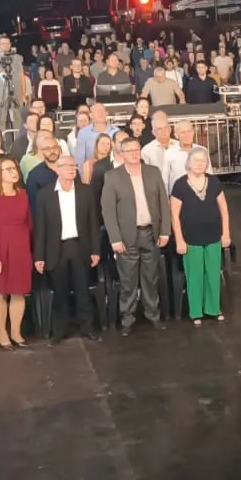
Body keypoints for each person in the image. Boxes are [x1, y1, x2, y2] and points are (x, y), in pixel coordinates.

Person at [100, 137, 171, 333]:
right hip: (125, 237)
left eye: (136, 150)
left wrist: (165, 230)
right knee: (128, 281)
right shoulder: (112, 177)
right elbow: (108, 211)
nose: (133, 153)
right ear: (122, 154)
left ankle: (153, 315)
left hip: (151, 233)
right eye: (129, 150)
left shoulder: (153, 172)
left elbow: (163, 203)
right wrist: (115, 239)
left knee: (151, 279)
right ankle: (127, 319)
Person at [33, 154, 102, 343]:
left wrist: (95, 250)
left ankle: (87, 328)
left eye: (74, 166)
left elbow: (93, 223)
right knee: (60, 292)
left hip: (80, 247)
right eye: (67, 166)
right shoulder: (45, 195)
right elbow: (40, 228)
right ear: (57, 169)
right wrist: (39, 256)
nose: (72, 169)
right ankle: (58, 331)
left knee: (83, 291)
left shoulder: (85, 191)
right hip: (56, 249)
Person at [170, 146, 229, 325]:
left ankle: (213, 309)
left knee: (212, 274)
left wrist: (226, 233)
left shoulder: (214, 182)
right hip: (190, 238)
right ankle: (196, 312)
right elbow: (174, 216)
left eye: (203, 161)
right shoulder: (180, 185)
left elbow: (224, 210)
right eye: (196, 161)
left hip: (213, 236)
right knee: (195, 276)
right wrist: (179, 240)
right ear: (189, 163)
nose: (199, 164)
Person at [0, 157, 33, 349]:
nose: (13, 172)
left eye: (14, 168)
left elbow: (29, 224)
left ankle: (16, 333)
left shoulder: (23, 195)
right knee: (0, 293)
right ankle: (2, 334)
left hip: (20, 247)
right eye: (8, 169)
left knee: (19, 292)